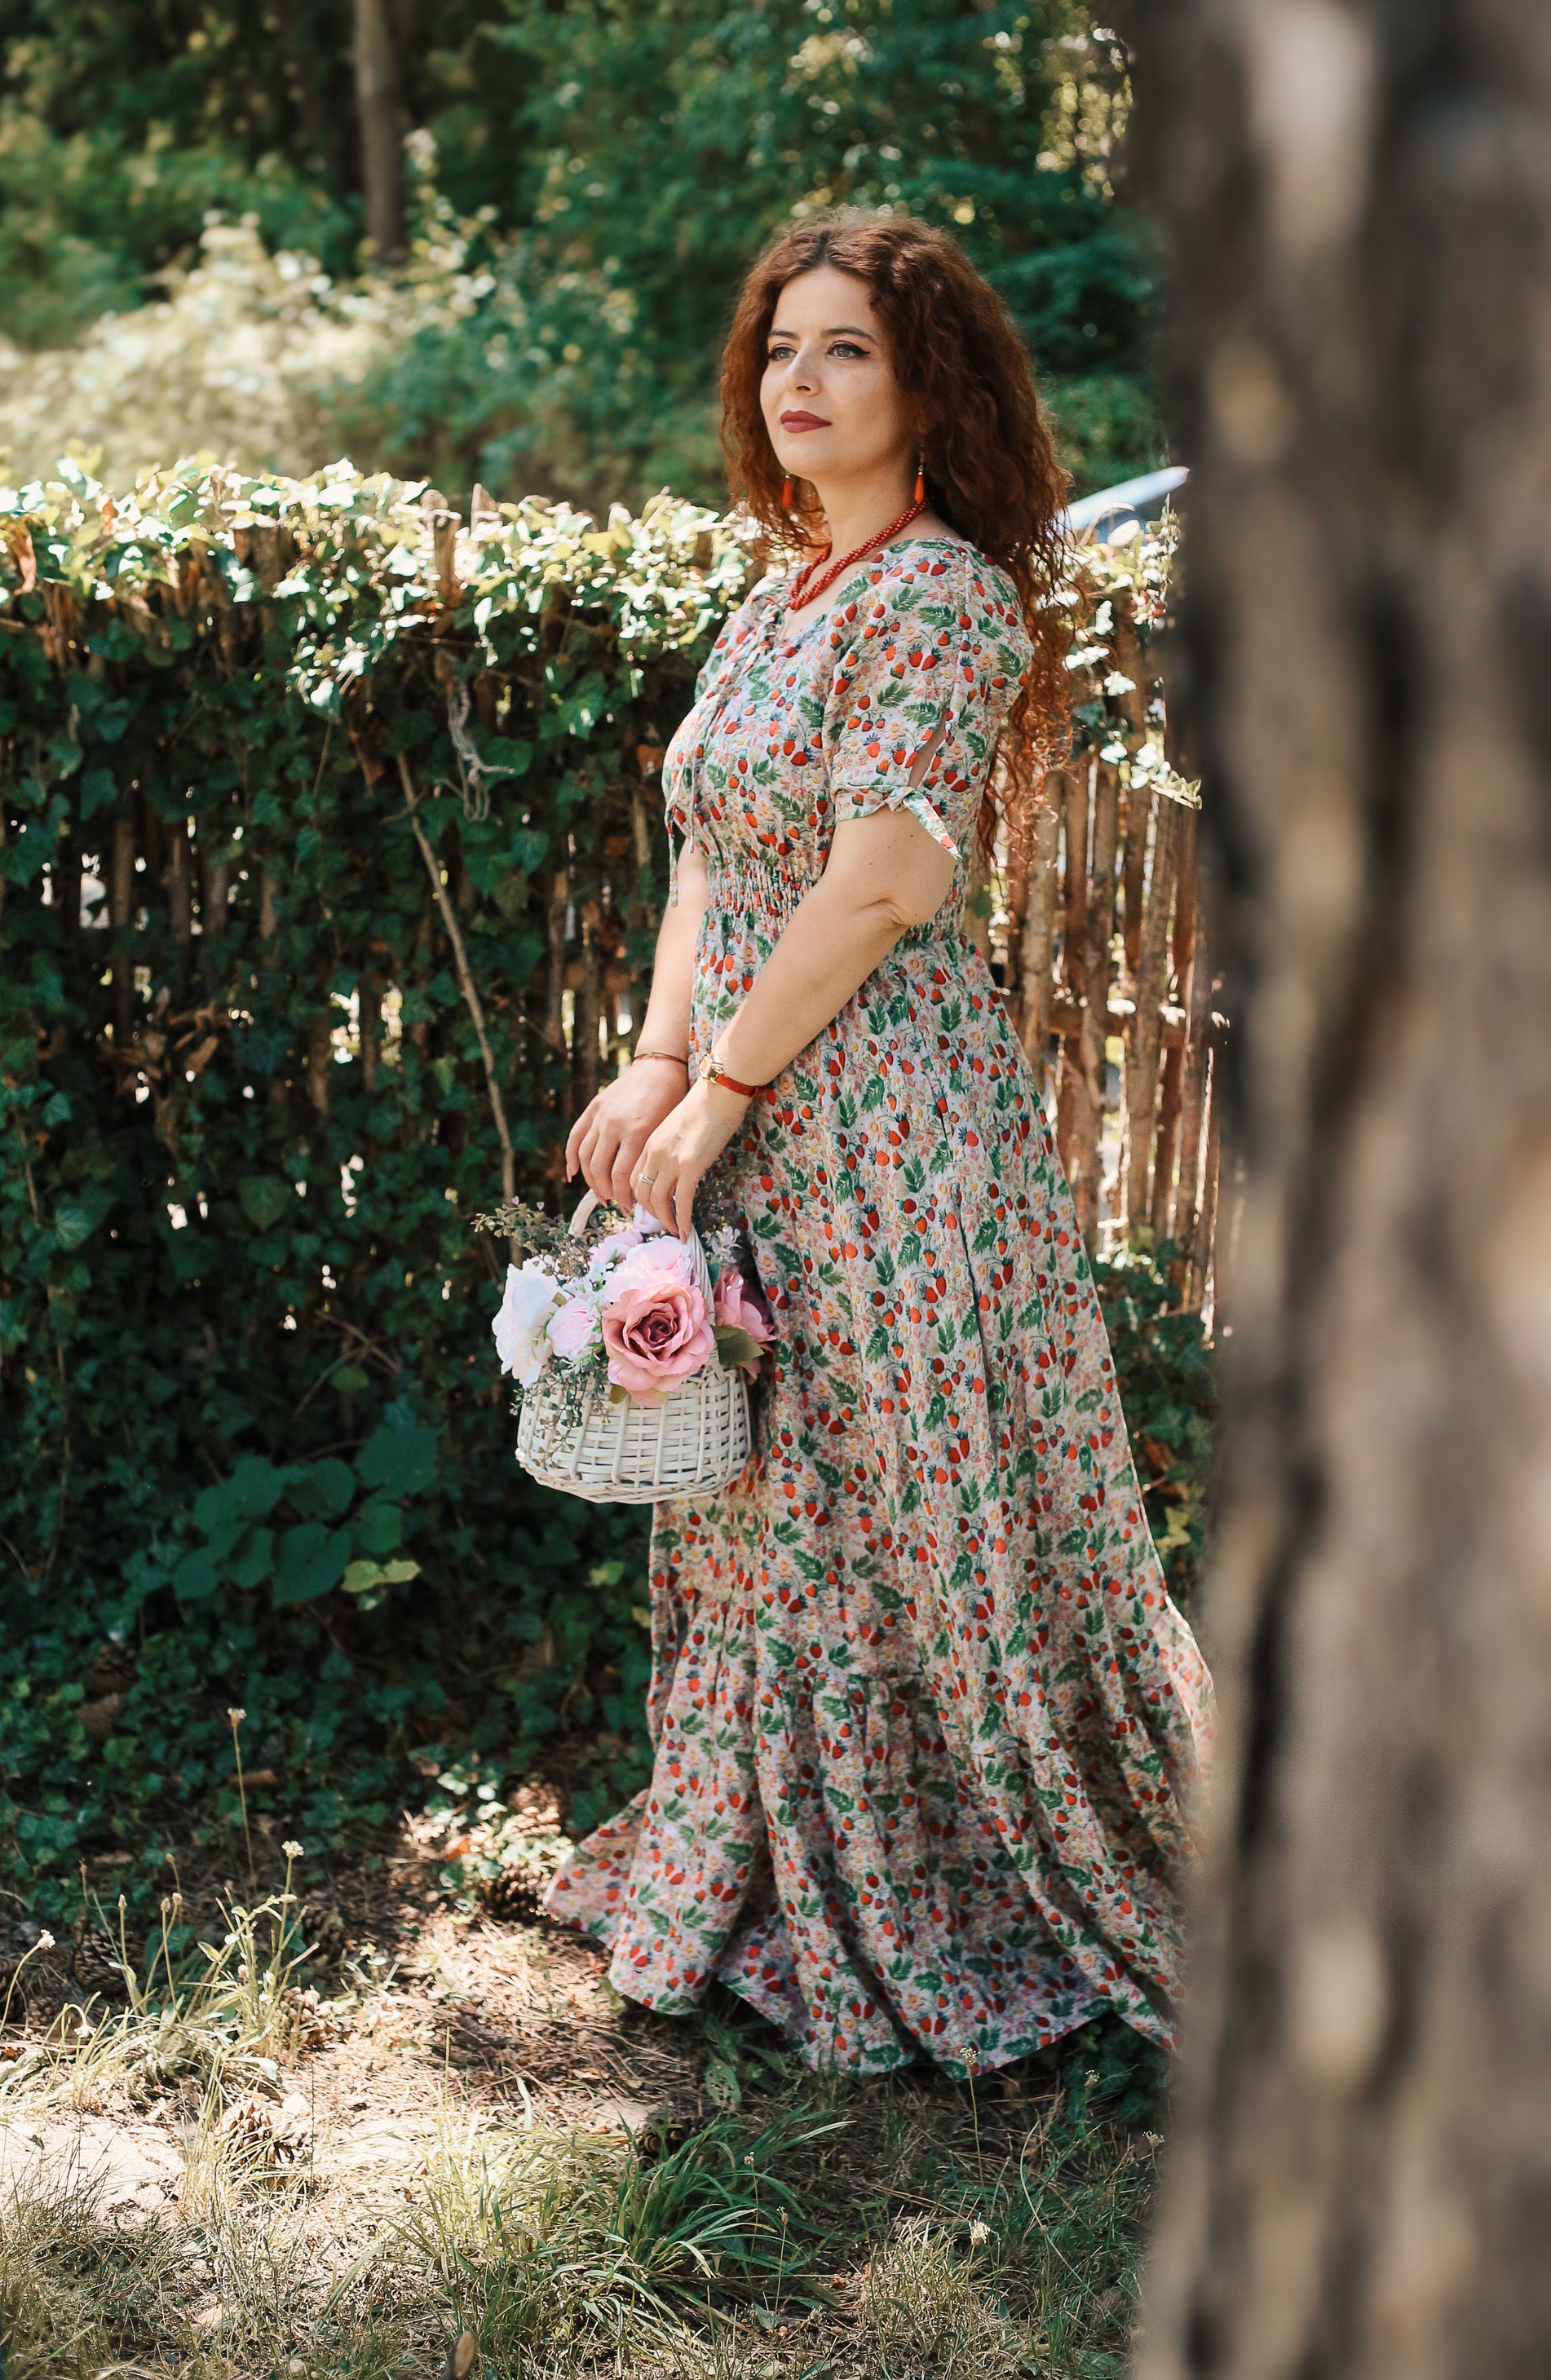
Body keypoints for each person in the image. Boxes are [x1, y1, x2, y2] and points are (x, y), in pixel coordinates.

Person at [547, 210, 1214, 2075]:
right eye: (779, 348)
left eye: (842, 347)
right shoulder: (783, 596)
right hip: (755, 1094)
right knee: (777, 1494)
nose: (798, 380)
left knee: (908, 1490)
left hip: (886, 1126)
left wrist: (727, 1091)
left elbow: (885, 875)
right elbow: (714, 848)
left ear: (928, 383)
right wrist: (656, 1058)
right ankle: (760, 1858)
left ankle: (970, 1871)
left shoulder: (937, 594)